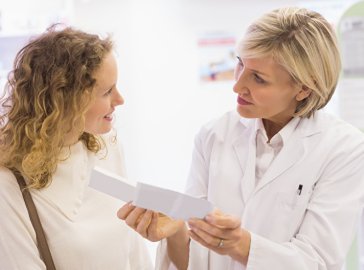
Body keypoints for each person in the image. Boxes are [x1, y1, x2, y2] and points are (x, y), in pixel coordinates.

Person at [118, 7, 364, 270]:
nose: (237, 85)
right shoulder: (214, 135)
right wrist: (175, 231)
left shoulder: (344, 149)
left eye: (258, 78)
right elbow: (195, 260)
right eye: (240, 64)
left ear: (304, 88)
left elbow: (317, 261)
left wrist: (240, 245)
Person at [0, 26, 152, 270]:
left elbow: (134, 254)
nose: (120, 100)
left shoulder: (107, 148)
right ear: (66, 99)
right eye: (107, 92)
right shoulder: (9, 180)